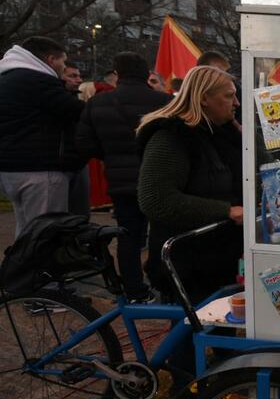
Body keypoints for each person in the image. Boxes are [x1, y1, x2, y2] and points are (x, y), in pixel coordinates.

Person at [136, 66, 244, 305]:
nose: (236, 103)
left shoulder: (225, 134)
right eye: (228, 96)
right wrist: (226, 210)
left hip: (220, 256)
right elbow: (156, 199)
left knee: (221, 330)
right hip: (187, 260)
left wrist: (246, 138)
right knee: (186, 333)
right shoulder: (171, 137)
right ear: (204, 97)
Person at [76, 52, 171, 302]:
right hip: (161, 179)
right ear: (146, 73)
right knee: (162, 233)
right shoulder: (164, 101)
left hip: (121, 182)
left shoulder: (98, 103)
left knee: (128, 237)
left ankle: (135, 291)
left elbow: (84, 144)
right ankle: (167, 287)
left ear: (117, 74)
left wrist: (112, 155)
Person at [0, 37, 85, 237]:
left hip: (10, 167)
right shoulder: (37, 80)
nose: (63, 68)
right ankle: (42, 268)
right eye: (62, 62)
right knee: (46, 233)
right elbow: (76, 111)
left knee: (27, 231)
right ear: (50, 59)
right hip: (39, 168)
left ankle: (24, 267)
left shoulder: (9, 78)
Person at [61, 60, 91, 218]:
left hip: (78, 162)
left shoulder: (77, 102)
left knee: (80, 214)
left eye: (79, 76)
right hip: (59, 165)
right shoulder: (52, 102)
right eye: (72, 76)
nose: (79, 80)